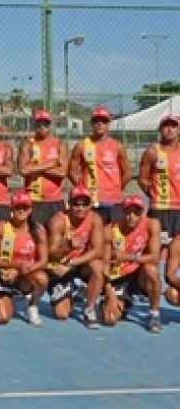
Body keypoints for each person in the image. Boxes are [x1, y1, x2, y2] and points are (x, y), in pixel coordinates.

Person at [101, 195, 162, 333]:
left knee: (152, 269)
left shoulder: (152, 224)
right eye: (128, 212)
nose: (131, 216)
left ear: (143, 213)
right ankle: (121, 303)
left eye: (136, 212)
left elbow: (155, 256)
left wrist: (126, 257)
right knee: (109, 319)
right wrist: (109, 293)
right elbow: (103, 266)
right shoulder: (110, 230)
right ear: (122, 212)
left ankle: (154, 315)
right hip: (118, 277)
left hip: (139, 276)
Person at [47, 185, 105, 328]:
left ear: (90, 205)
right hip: (60, 265)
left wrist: (73, 262)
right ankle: (70, 291)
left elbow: (97, 250)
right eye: (76, 204)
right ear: (69, 204)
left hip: (78, 263)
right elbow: (52, 253)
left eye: (84, 204)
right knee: (62, 314)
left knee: (98, 267)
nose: (80, 208)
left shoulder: (95, 219)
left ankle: (89, 309)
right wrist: (67, 247)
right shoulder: (58, 220)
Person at [0, 190, 49, 326]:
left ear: (30, 210)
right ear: (11, 208)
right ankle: (2, 297)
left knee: (42, 279)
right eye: (17, 207)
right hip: (3, 276)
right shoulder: (1, 227)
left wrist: (19, 270)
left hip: (25, 276)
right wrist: (15, 266)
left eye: (25, 207)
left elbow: (43, 261)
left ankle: (32, 307)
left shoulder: (38, 230)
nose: (21, 210)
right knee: (2, 318)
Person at [69, 106, 131, 224]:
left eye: (103, 121)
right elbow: (71, 171)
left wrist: (117, 188)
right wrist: (83, 189)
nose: (100, 124)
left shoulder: (118, 146)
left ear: (109, 123)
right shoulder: (81, 145)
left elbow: (127, 173)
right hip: (91, 201)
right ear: (91, 123)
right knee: (91, 237)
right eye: (96, 121)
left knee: (113, 237)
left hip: (113, 201)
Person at [17, 109, 68, 225]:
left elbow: (62, 172)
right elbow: (23, 170)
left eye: (45, 123)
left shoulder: (59, 144)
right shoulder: (27, 144)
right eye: (39, 123)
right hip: (34, 200)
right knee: (38, 237)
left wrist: (35, 167)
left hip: (55, 200)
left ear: (50, 125)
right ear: (34, 124)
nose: (42, 126)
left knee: (57, 236)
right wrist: (50, 164)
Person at [138, 114, 180, 247]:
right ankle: (160, 268)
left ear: (178, 129)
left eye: (173, 126)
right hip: (160, 208)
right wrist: (154, 194)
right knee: (161, 248)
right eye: (166, 126)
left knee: (177, 247)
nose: (170, 129)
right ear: (160, 129)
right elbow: (142, 180)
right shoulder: (152, 151)